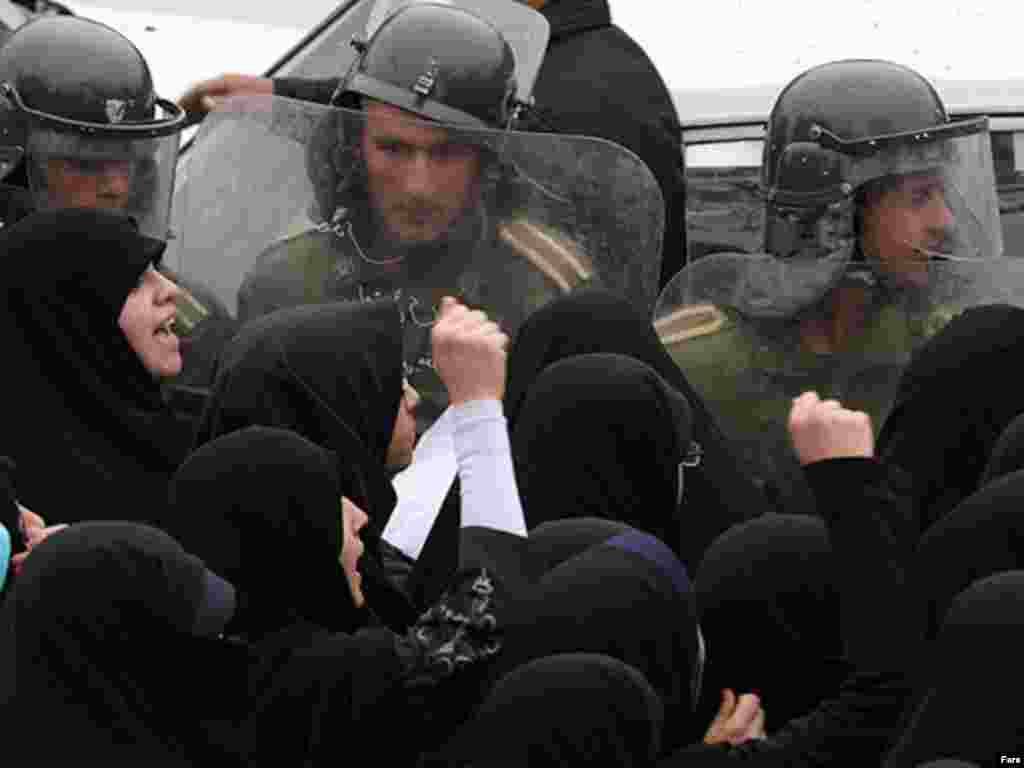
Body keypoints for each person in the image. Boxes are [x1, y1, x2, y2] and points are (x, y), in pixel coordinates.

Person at [657, 58, 1005, 515]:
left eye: (942, 194)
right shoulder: (693, 361)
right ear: (837, 214)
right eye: (920, 196)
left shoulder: (946, 355)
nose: (945, 220)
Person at [179, 0, 687, 290]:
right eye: (392, 150)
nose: (418, 185)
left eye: (447, 154)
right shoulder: (289, 280)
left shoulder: (610, 92)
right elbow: (415, 112)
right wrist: (281, 96)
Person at [0, 14, 233, 407]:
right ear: (15, 167)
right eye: (86, 163)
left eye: (129, 161)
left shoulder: (184, 315)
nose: (118, 187)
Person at [0, 208, 194, 529]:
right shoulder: (30, 513)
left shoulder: (161, 437)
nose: (169, 290)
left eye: (156, 271)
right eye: (134, 283)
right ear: (71, 320)